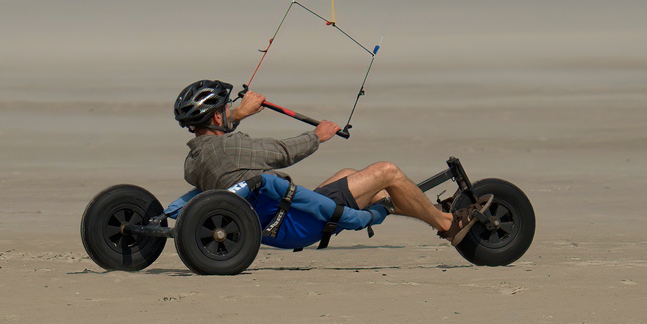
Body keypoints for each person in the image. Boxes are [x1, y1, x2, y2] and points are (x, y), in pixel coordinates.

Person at [173, 79, 484, 244]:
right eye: (228, 108)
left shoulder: (196, 160)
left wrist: (238, 115)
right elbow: (280, 151)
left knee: (360, 180)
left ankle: (434, 214)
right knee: (386, 171)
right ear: (216, 116)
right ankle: (448, 223)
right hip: (293, 223)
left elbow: (223, 148)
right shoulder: (230, 148)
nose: (232, 110)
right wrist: (317, 135)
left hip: (275, 219)